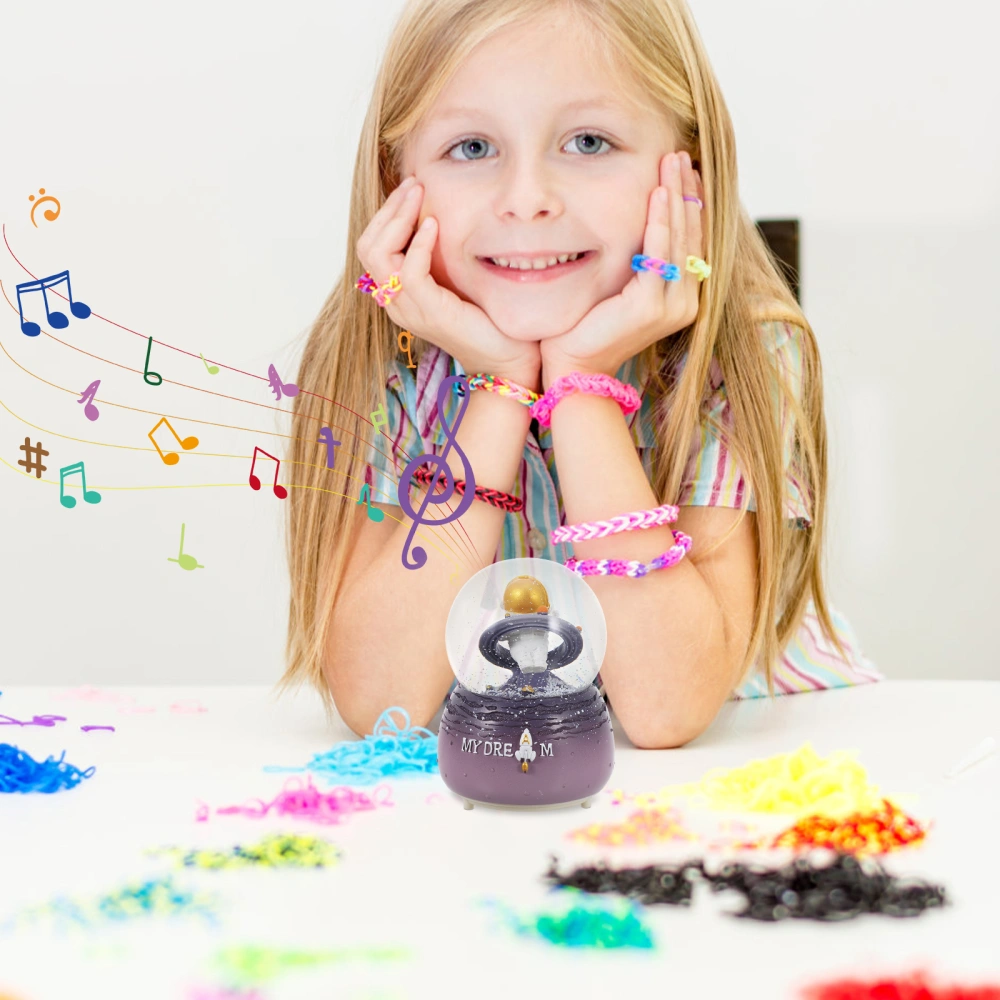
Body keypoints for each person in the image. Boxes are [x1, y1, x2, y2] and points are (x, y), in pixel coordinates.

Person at [280, 0, 882, 745]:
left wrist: (582, 387)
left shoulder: (746, 354)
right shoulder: (377, 358)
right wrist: (500, 385)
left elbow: (665, 711)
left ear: (689, 167)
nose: (528, 200)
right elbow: (382, 703)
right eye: (471, 148)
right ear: (393, 179)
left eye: (589, 141)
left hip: (750, 762)